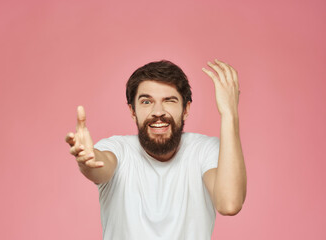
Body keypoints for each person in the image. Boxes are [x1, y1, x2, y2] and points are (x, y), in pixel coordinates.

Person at [65, 59, 247, 240]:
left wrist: (229, 114)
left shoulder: (205, 150)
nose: (158, 111)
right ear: (132, 111)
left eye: (169, 100)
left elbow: (229, 203)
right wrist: (87, 160)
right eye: (146, 102)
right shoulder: (118, 149)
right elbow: (99, 165)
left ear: (186, 109)